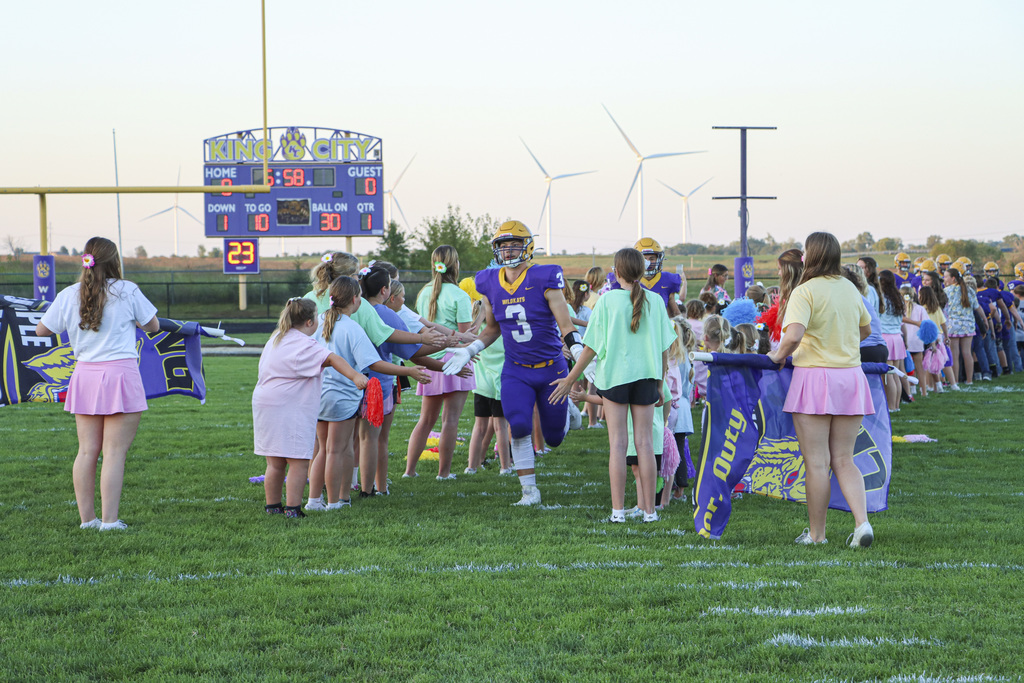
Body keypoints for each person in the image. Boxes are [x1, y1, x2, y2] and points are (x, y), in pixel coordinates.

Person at [443, 221, 584, 506]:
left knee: (554, 437)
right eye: (502, 246)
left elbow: (565, 326)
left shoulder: (545, 276)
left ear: (528, 246)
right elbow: (492, 328)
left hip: (551, 369)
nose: (508, 252)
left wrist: (578, 351)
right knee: (518, 425)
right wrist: (470, 350)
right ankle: (529, 492)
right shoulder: (489, 281)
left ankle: (566, 409)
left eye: (514, 245)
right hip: (516, 369)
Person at [35, 237, 160, 531]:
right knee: (114, 452)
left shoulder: (68, 294)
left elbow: (42, 330)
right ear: (114, 260)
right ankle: (110, 521)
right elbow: (153, 325)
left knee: (87, 451)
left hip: (85, 376)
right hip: (120, 375)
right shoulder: (127, 291)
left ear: (86, 260)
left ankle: (87, 520)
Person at [549, 248, 677, 523]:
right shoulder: (655, 300)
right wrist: (660, 383)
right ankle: (650, 512)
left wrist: (571, 378)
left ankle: (618, 512)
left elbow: (590, 347)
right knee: (645, 444)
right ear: (642, 272)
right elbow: (664, 350)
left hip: (615, 380)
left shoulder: (606, 302)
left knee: (618, 445)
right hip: (646, 378)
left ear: (616, 272)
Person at [767, 231, 875, 548]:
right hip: (851, 377)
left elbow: (794, 335)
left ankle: (817, 535)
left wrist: (777, 356)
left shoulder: (805, 291)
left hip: (814, 378)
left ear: (809, 256)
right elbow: (866, 329)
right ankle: (862, 523)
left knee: (816, 462)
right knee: (844, 458)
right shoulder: (850, 288)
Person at [310, 277, 430, 510]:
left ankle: (315, 500)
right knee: (340, 450)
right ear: (356, 300)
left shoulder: (318, 321)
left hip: (318, 393)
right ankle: (337, 501)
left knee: (323, 449)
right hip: (342, 396)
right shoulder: (352, 327)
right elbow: (373, 363)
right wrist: (409, 371)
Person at [253, 298, 367, 518]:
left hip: (264, 402)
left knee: (275, 461)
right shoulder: (304, 344)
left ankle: (273, 506)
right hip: (288, 405)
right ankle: (293, 509)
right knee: (298, 460)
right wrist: (355, 376)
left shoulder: (276, 337)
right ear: (308, 322)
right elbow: (332, 359)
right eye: (316, 317)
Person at [404, 245, 477, 481]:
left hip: (427, 359)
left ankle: (409, 471)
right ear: (455, 265)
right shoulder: (459, 295)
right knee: (450, 420)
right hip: (453, 359)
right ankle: (443, 473)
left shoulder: (425, 292)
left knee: (425, 420)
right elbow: (466, 337)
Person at [943, 265, 987, 386]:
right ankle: (969, 380)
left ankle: (955, 380)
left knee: (955, 354)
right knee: (967, 353)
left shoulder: (946, 291)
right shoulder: (970, 290)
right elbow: (978, 308)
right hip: (968, 325)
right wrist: (985, 321)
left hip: (953, 326)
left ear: (953, 279)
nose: (944, 279)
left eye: (946, 277)